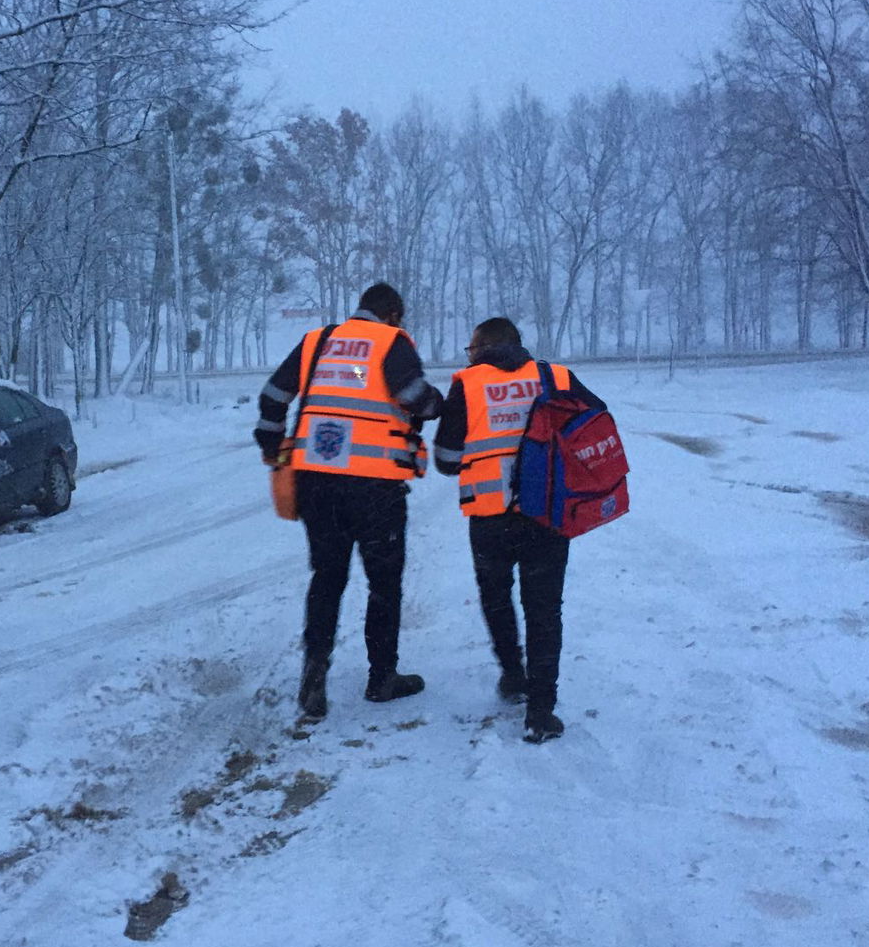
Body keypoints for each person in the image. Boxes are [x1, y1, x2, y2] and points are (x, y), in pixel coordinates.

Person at [254, 282, 444, 723]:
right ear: (393, 315)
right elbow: (412, 395)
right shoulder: (390, 342)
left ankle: (313, 680)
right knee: (383, 583)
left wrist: (271, 445)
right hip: (375, 486)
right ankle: (382, 678)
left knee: (327, 577)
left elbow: (273, 396)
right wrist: (440, 406)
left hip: (317, 482)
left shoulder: (317, 343)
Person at [433, 317, 607, 744]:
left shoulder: (468, 385)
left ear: (485, 347)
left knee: (496, 598)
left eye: (471, 349)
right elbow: (595, 422)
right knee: (545, 610)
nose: (469, 356)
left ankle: (513, 674)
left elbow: (444, 458)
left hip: (491, 518)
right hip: (547, 513)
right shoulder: (557, 377)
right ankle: (541, 711)